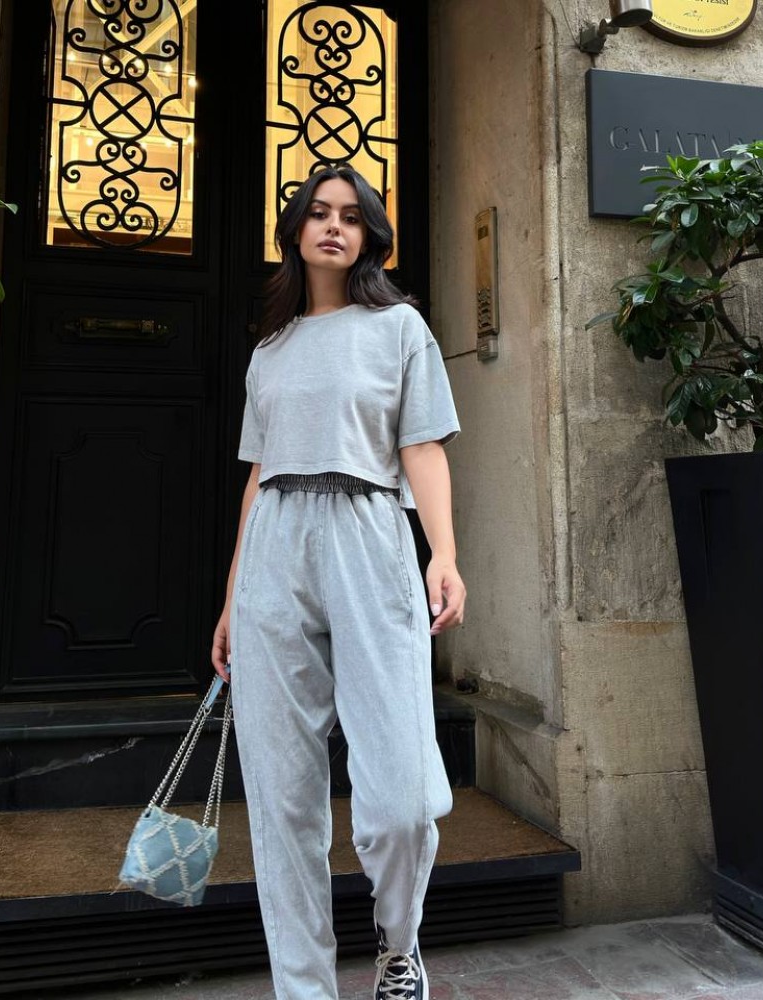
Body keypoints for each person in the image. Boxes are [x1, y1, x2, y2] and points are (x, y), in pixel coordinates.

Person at [211, 163, 466, 1000]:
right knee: (283, 799)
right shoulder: (270, 350)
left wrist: (443, 553)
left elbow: (421, 447)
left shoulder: (400, 329)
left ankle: (399, 942)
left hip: (368, 533)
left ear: (370, 237)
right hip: (276, 548)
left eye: (351, 217)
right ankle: (304, 988)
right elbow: (258, 477)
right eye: (318, 213)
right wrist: (232, 597)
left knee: (402, 798)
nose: (333, 227)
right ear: (294, 230)